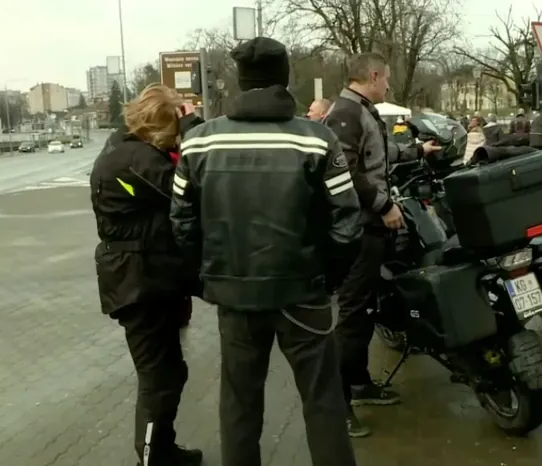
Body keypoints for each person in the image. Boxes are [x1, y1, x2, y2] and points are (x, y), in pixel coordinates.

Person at [169, 37, 362, 466]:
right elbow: (348, 222)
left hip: (235, 296)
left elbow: (181, 224)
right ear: (285, 78)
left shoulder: (199, 142)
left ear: (240, 81)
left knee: (239, 405)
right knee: (323, 403)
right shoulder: (317, 139)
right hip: (304, 294)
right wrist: (326, 278)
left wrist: (208, 280)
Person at [323, 51, 440, 437]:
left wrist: (417, 151)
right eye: (386, 78)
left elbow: (378, 156)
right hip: (359, 227)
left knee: (367, 309)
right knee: (354, 314)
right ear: (373, 75)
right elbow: (346, 172)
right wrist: (384, 205)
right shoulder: (346, 113)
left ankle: (359, 384)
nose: (388, 84)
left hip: (371, 226)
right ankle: (337, 407)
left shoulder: (361, 110)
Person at [90, 84, 204, 466]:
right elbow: (190, 192)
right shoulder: (138, 160)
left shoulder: (127, 150)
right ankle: (154, 458)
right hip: (140, 283)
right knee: (159, 377)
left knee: (169, 372)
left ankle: (163, 450)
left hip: (145, 279)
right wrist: (194, 130)